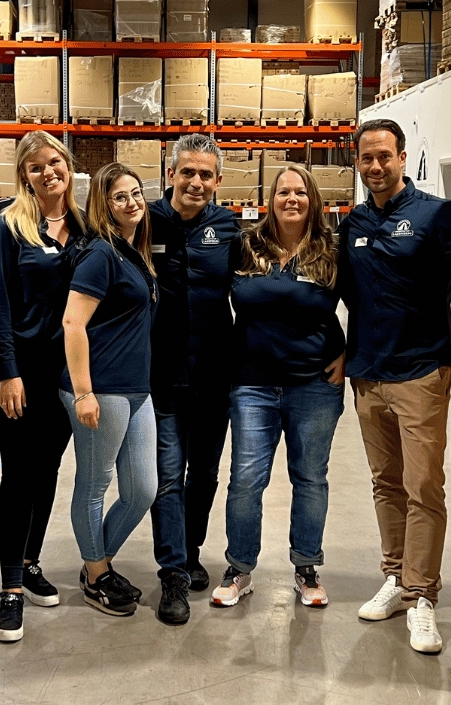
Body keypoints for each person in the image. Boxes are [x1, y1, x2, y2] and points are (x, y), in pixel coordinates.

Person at [339, 119, 451, 654]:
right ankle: (395, 578)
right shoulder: (352, 223)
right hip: (367, 377)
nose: (376, 166)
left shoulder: (437, 216)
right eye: (367, 158)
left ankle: (423, 597)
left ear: (402, 158)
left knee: (424, 489)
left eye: (385, 157)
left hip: (421, 375)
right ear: (358, 162)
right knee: (385, 485)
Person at [211, 165, 345, 611]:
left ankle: (306, 568)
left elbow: (368, 305)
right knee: (246, 479)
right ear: (271, 199)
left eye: (300, 191)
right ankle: (240, 568)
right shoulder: (245, 246)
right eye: (283, 191)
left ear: (314, 200)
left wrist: (347, 351)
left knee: (310, 478)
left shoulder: (331, 251)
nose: (292, 198)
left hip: (314, 386)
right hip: (252, 385)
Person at [0, 132, 90, 643]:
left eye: (55, 162)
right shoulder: (11, 227)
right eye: (35, 167)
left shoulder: (85, 229)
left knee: (47, 471)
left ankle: (29, 562)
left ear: (68, 167)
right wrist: (7, 370)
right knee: (20, 476)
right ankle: (9, 591)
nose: (48, 172)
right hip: (21, 372)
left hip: (64, 376)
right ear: (24, 176)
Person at [61, 162, 159, 617]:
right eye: (120, 197)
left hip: (138, 390)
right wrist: (83, 393)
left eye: (136, 193)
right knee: (95, 484)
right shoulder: (100, 253)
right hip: (102, 389)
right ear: (103, 204)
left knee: (142, 489)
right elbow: (72, 322)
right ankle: (97, 574)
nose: (132, 202)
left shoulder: (132, 251)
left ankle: (97, 561)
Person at [148, 133, 238, 625]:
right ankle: (172, 576)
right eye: (188, 172)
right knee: (167, 477)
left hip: (214, 376)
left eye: (206, 174)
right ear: (171, 175)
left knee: (203, 474)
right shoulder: (146, 220)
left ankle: (190, 549)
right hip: (160, 375)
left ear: (218, 181)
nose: (196, 182)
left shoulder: (227, 227)